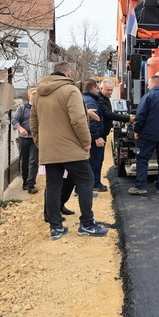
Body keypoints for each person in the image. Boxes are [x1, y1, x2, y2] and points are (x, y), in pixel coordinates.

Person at [31, 61, 109, 240]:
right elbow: (77, 120)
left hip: (49, 148)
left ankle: (56, 227)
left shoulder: (39, 93)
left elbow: (33, 122)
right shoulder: (71, 90)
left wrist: (40, 143)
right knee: (86, 181)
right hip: (71, 148)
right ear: (68, 74)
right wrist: (86, 142)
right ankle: (87, 224)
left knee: (53, 185)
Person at [93, 79, 134, 192]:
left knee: (99, 159)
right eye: (108, 90)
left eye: (111, 90)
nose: (110, 92)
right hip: (99, 134)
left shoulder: (104, 98)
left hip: (102, 133)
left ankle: (96, 182)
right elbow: (108, 114)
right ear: (101, 88)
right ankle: (95, 183)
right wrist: (128, 118)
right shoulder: (99, 99)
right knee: (96, 159)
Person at [12, 88, 39, 194]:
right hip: (23, 139)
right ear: (29, 96)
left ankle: (31, 184)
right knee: (24, 161)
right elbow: (15, 120)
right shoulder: (22, 108)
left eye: (37, 94)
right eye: (33, 94)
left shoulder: (40, 108)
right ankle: (25, 182)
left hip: (35, 139)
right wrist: (20, 129)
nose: (35, 96)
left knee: (34, 161)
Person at [82, 79, 107, 194]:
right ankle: (90, 186)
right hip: (93, 138)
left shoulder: (86, 99)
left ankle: (94, 184)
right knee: (93, 162)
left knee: (93, 161)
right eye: (97, 88)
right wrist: (97, 137)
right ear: (93, 88)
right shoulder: (91, 101)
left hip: (90, 136)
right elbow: (93, 120)